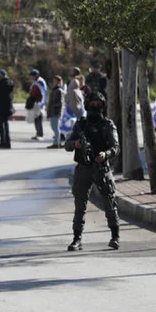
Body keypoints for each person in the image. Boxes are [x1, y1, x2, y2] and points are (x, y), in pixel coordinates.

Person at [64, 91, 121, 251]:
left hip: (102, 168)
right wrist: (76, 144)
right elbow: (67, 144)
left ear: (102, 106)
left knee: (109, 203)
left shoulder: (108, 125)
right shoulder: (81, 124)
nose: (94, 107)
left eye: (97, 104)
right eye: (91, 104)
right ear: (87, 105)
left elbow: (116, 147)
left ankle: (115, 236)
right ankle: (77, 238)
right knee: (80, 205)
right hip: (83, 168)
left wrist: (105, 154)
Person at [47, 75, 66, 149]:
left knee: (56, 128)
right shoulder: (54, 90)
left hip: (56, 112)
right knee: (54, 127)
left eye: (55, 81)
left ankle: (56, 143)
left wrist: (58, 112)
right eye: (53, 81)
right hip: (52, 112)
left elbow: (61, 103)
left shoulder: (59, 91)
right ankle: (57, 142)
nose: (53, 83)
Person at [29, 69, 47, 141]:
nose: (32, 77)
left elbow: (43, 93)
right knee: (36, 118)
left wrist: (42, 103)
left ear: (37, 75)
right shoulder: (36, 82)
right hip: (36, 102)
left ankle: (40, 134)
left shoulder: (40, 82)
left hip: (39, 103)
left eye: (33, 75)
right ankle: (38, 133)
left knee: (39, 119)